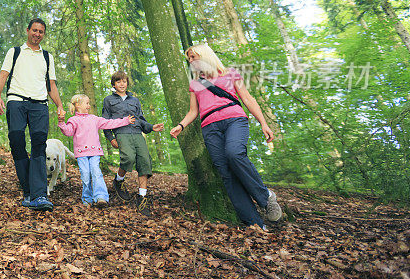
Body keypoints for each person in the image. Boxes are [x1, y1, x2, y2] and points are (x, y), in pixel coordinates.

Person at [169, 43, 282, 230]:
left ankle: (266, 197)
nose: (190, 61)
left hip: (234, 120)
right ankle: (254, 223)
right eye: (189, 59)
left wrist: (263, 123)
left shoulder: (230, 73)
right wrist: (181, 125)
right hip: (209, 127)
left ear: (205, 55)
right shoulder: (196, 84)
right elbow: (193, 111)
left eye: (193, 57)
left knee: (234, 154)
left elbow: (248, 99)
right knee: (226, 174)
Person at [0, 18, 66, 211]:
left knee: (39, 147)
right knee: (17, 142)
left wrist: (59, 105)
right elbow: (2, 76)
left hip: (40, 105)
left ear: (43, 34)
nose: (37, 34)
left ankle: (39, 195)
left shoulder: (47, 57)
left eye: (41, 31)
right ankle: (28, 190)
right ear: (28, 31)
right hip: (16, 101)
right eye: (34, 30)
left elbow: (51, 85)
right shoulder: (15, 52)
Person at [102, 71, 165, 215]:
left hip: (137, 133)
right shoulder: (108, 100)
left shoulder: (134, 100)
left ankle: (142, 197)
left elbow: (141, 119)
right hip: (121, 133)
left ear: (127, 83)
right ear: (114, 85)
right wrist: (110, 138)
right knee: (128, 158)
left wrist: (151, 127)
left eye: (124, 81)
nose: (122, 84)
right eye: (118, 82)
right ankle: (118, 180)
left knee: (145, 163)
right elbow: (105, 121)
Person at [58, 94, 134, 207]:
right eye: (87, 103)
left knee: (96, 172)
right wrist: (61, 122)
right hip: (81, 154)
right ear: (78, 105)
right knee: (85, 175)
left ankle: (101, 197)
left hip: (94, 153)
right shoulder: (73, 120)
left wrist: (125, 120)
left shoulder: (94, 119)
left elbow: (110, 123)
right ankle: (87, 199)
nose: (89, 105)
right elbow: (68, 132)